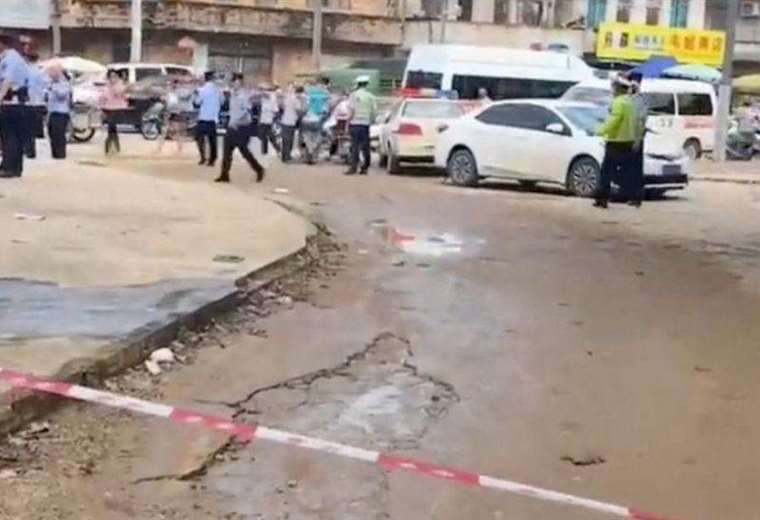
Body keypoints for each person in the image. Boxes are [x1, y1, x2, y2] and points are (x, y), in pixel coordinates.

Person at [594, 76, 636, 209]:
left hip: (615, 140)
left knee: (606, 171)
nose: (612, 89)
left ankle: (602, 198)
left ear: (617, 88)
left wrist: (600, 130)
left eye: (613, 87)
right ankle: (628, 194)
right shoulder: (631, 102)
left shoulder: (618, 102)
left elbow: (614, 120)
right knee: (625, 170)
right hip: (628, 140)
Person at [216, 73, 264, 184]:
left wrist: (237, 122)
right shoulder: (233, 95)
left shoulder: (244, 96)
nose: (235, 84)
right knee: (227, 152)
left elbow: (247, 115)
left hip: (241, 128)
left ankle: (259, 169)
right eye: (234, 82)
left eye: (237, 82)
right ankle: (224, 174)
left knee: (244, 152)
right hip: (231, 127)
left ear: (241, 83)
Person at [0, 33, 31, 178]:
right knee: (12, 136)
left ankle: (10, 167)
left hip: (12, 102)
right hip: (13, 103)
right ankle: (13, 167)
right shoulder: (9, 58)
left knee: (10, 136)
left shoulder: (11, 58)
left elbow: (7, 80)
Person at [345, 75, 376, 175]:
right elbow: (374, 111)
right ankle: (365, 167)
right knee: (365, 147)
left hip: (355, 123)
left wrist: (347, 123)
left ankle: (353, 167)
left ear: (357, 84)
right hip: (365, 124)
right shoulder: (370, 96)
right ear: (367, 84)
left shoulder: (353, 95)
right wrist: (371, 121)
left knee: (355, 146)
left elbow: (351, 111)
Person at [626, 71, 647, 207]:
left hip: (636, 138)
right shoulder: (631, 98)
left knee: (635, 169)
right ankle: (629, 194)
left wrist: (637, 140)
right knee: (630, 168)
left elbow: (641, 120)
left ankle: (636, 196)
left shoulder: (640, 99)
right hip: (628, 136)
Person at [195, 71, 222, 166]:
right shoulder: (218, 90)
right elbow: (222, 101)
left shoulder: (202, 90)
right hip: (213, 118)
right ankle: (212, 159)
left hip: (203, 117)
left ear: (205, 79)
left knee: (200, 138)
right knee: (212, 140)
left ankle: (203, 157)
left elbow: (197, 102)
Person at [24, 52, 47, 159]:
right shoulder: (41, 71)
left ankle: (29, 150)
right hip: (39, 103)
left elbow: (29, 87)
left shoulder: (27, 71)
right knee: (33, 128)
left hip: (29, 103)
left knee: (26, 128)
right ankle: (31, 150)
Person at [46, 64, 71, 160]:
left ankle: (60, 154)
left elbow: (62, 95)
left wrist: (53, 88)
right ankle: (55, 154)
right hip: (52, 112)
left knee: (59, 134)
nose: (50, 75)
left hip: (61, 113)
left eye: (51, 73)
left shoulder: (64, 83)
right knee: (52, 133)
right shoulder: (51, 83)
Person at [100, 69, 127, 155]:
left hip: (118, 109)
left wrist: (116, 88)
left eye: (114, 76)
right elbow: (103, 97)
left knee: (112, 128)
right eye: (111, 76)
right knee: (111, 129)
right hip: (108, 109)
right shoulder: (107, 86)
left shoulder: (120, 85)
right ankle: (112, 148)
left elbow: (123, 95)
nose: (113, 78)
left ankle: (111, 148)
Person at [280, 84, 304, 163]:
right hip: (291, 121)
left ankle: (284, 156)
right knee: (289, 139)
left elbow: (281, 107)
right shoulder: (296, 99)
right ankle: (287, 156)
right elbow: (299, 110)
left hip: (284, 120)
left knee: (285, 139)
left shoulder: (285, 98)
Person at [258, 83, 280, 156]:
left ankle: (278, 149)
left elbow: (276, 110)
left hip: (269, 120)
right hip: (263, 119)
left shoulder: (272, 98)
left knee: (271, 136)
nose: (263, 92)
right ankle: (264, 151)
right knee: (263, 136)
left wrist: (274, 119)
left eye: (264, 90)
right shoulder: (262, 98)